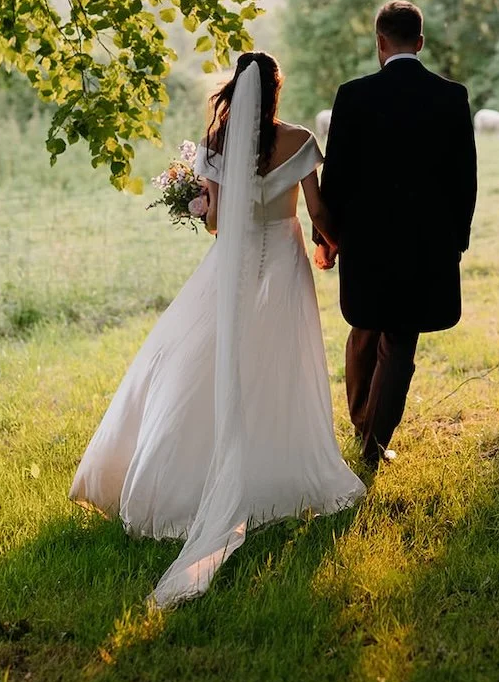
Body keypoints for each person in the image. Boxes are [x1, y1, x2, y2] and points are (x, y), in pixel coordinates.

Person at [69, 52, 364, 607]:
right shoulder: (299, 140)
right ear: (275, 89)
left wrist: (204, 203)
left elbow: (215, 226)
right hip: (282, 260)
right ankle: (274, 473)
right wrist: (334, 244)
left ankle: (179, 479)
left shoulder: (213, 145)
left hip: (230, 270)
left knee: (203, 361)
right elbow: (318, 210)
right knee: (278, 366)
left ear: (236, 87)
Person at [316, 1, 478, 466]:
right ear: (420, 43)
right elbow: (464, 177)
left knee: (364, 329)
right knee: (399, 342)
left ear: (380, 43)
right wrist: (457, 241)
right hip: (427, 245)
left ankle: (364, 427)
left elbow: (337, 177)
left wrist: (325, 239)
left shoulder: (352, 95)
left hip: (366, 244)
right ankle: (372, 441)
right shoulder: (451, 96)